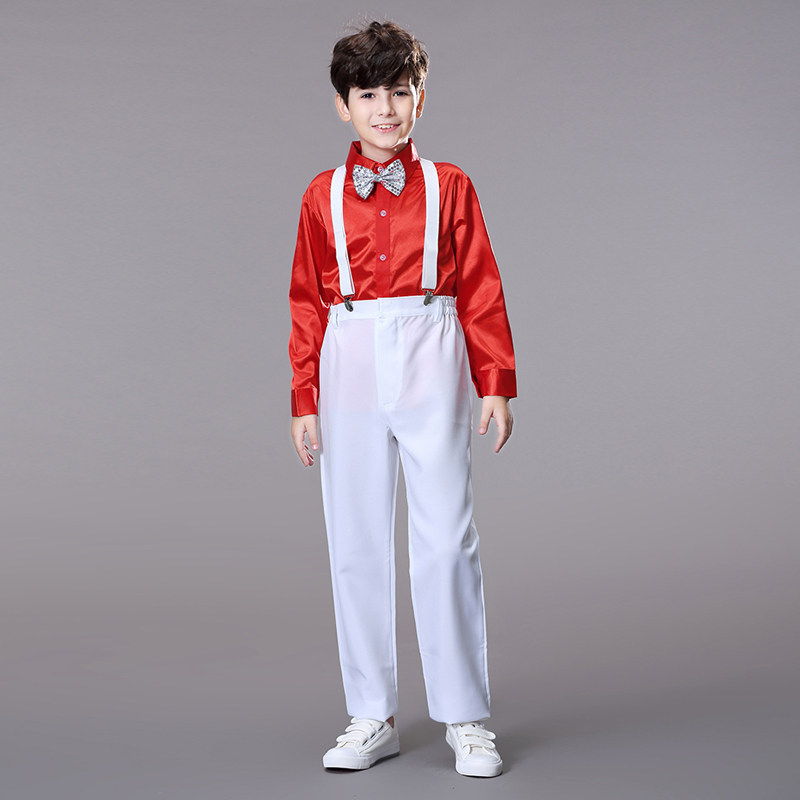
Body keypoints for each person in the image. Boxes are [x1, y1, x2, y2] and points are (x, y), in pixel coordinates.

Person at [288, 20, 516, 778]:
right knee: (354, 537)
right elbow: (306, 300)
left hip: (430, 342)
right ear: (342, 106)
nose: (384, 109)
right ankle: (371, 714)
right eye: (367, 95)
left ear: (421, 98)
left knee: (446, 536)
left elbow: (480, 285)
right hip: (349, 350)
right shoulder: (321, 195)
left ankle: (465, 716)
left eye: (398, 92)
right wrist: (304, 394)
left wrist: (495, 380)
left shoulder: (451, 185)